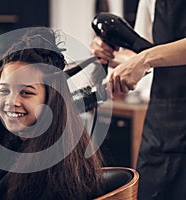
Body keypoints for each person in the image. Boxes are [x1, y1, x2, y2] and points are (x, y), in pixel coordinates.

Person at [0, 28, 103, 200]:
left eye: (26, 92)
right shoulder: (12, 148)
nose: (11, 101)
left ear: (51, 99)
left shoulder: (57, 175)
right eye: (4, 90)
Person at [90, 0, 186, 199]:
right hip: (163, 123)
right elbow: (145, 52)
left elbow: (147, 57)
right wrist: (110, 54)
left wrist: (144, 59)